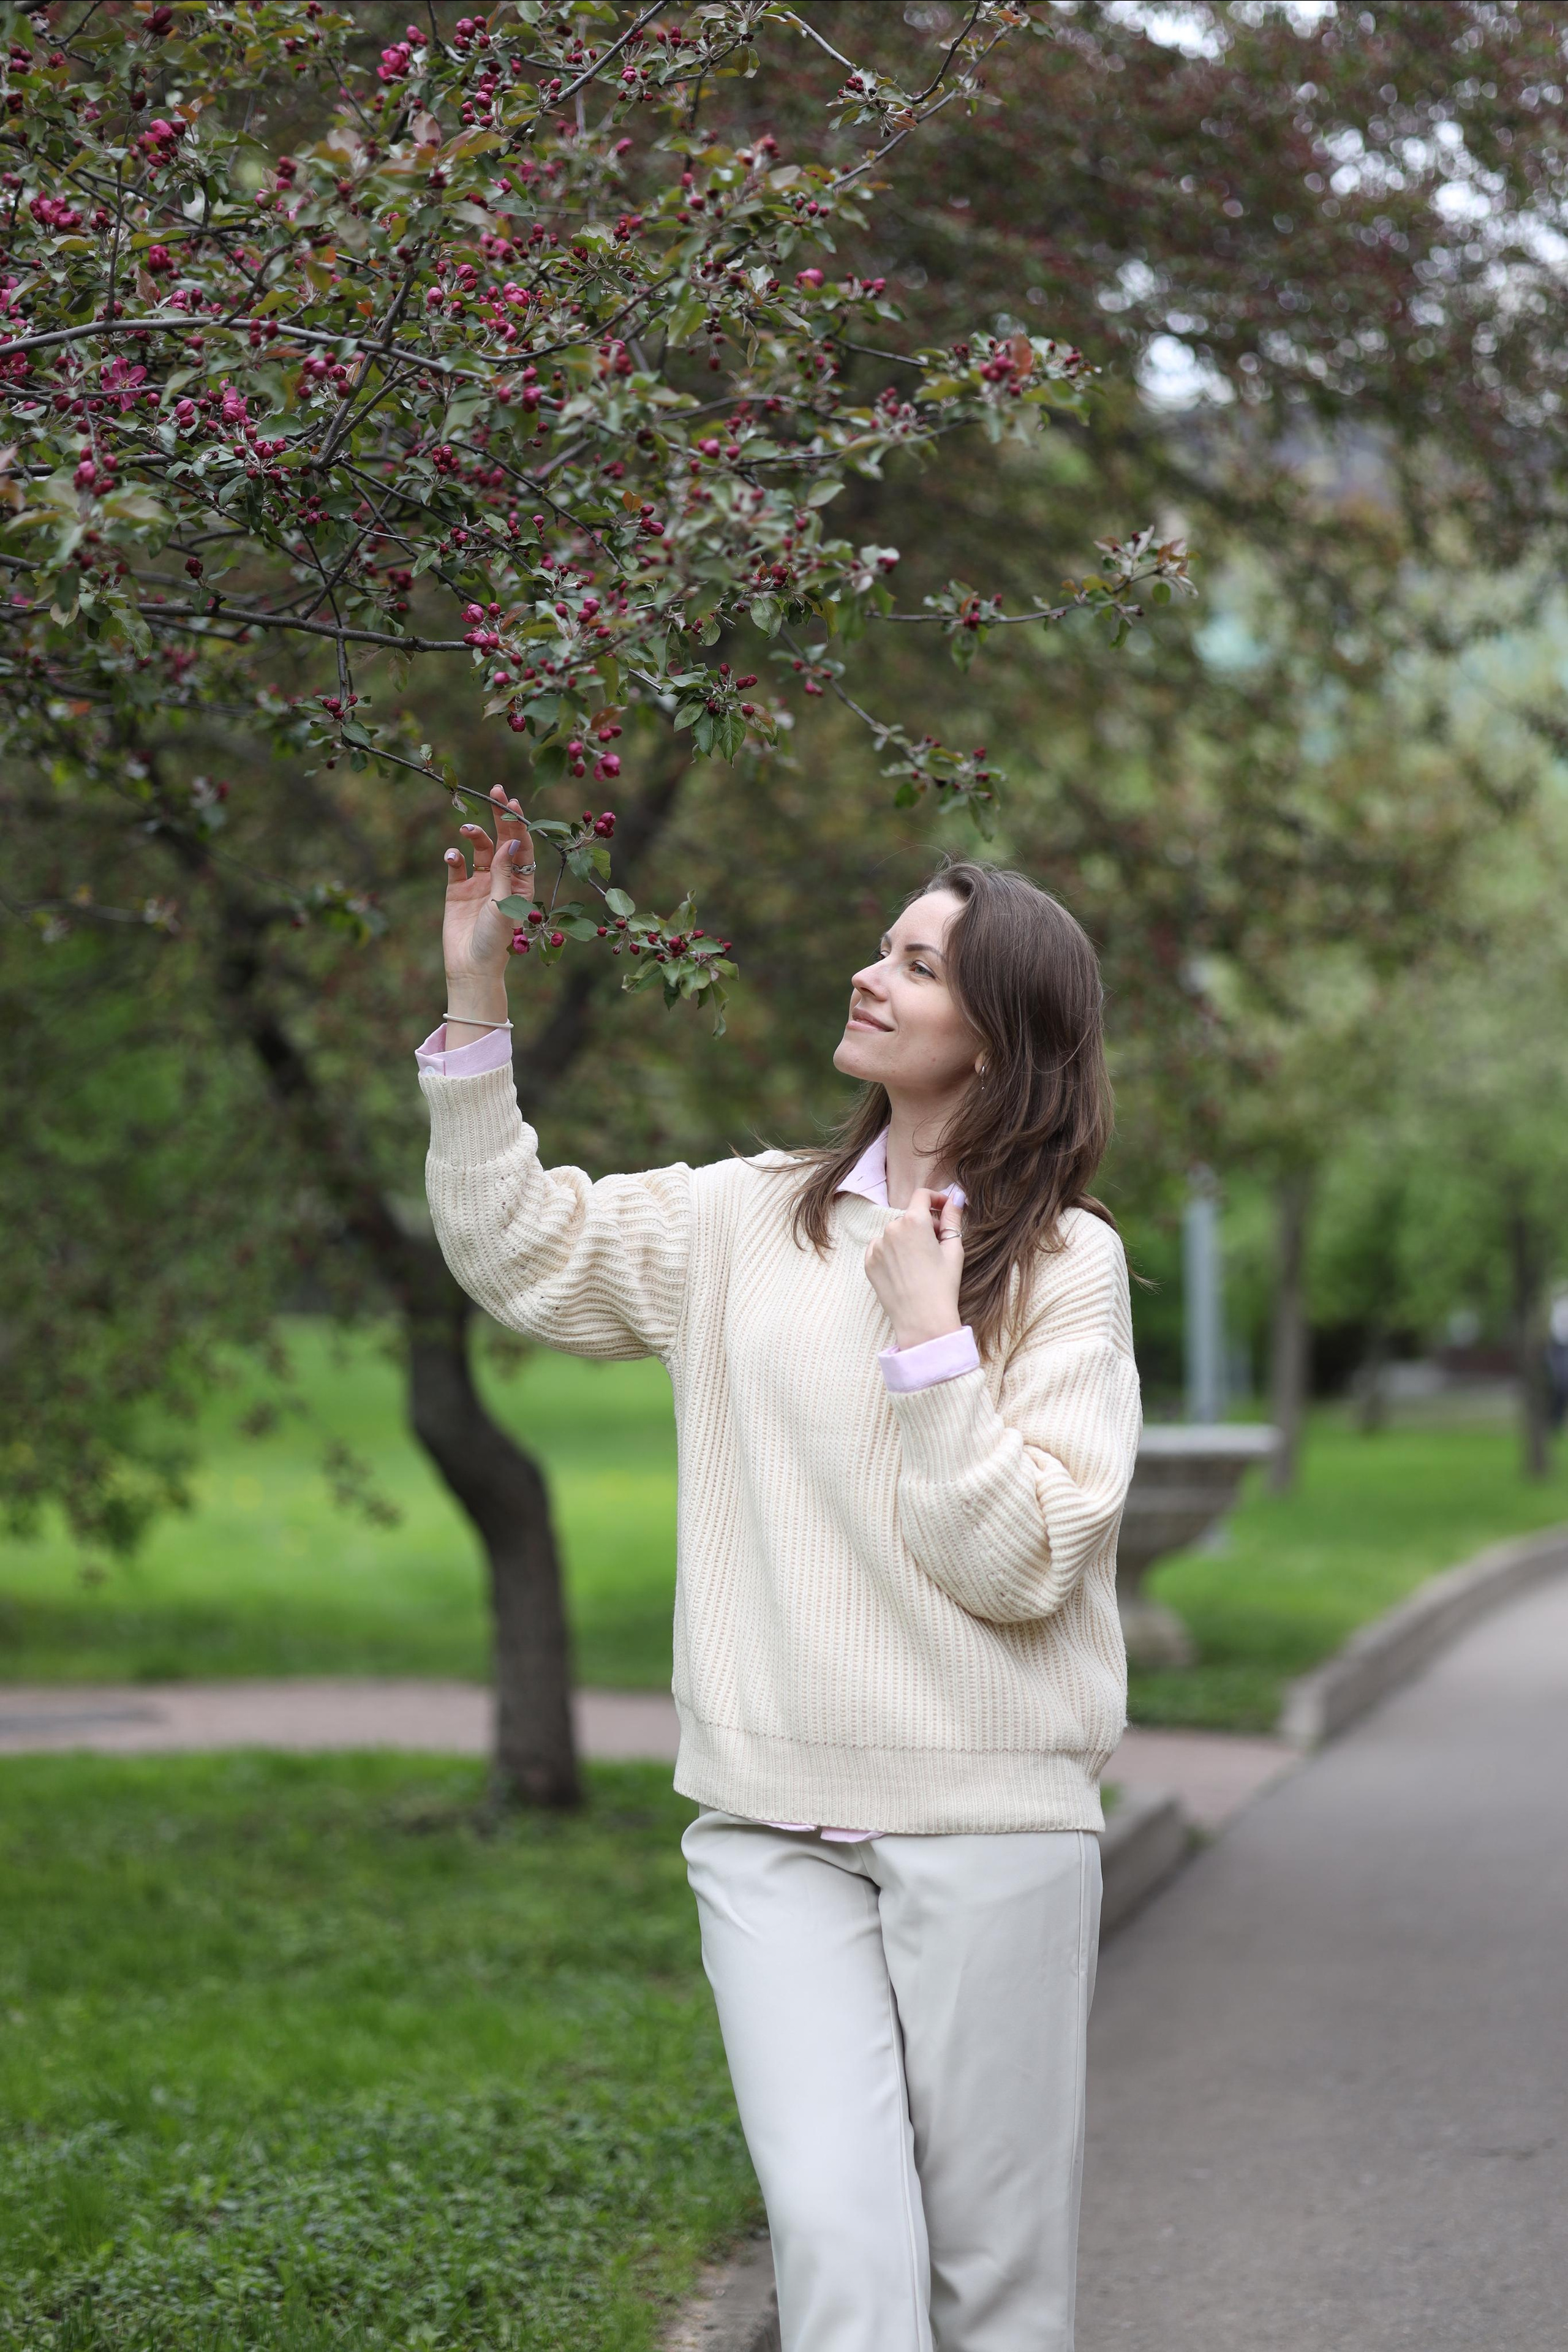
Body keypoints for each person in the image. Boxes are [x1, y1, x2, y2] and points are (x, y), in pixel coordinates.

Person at [418, 786, 1142, 2352]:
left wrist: (928, 1337)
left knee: (995, 2285)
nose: (870, 975)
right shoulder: (741, 1219)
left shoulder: (1064, 1266)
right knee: (834, 2243)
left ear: (1000, 1039)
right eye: (884, 947)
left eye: (920, 965)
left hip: (988, 1822)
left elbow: (1019, 1562)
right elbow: (518, 1253)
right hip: (766, 1822)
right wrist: (476, 1001)